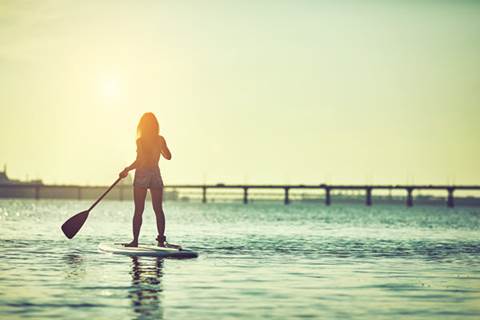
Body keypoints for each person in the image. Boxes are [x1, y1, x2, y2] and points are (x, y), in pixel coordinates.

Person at [119, 112, 172, 247]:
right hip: (155, 174)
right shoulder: (160, 139)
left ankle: (135, 241)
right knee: (158, 209)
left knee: (138, 210)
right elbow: (168, 156)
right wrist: (160, 148)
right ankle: (161, 240)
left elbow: (140, 161)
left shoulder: (141, 141)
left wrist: (127, 170)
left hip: (142, 174)